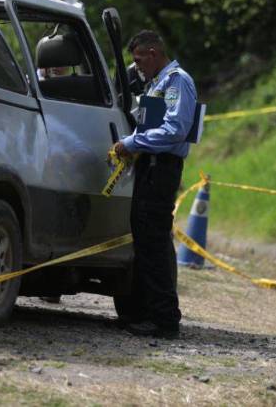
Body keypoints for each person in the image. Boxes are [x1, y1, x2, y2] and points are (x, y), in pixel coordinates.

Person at [111, 29, 197, 339]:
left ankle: (163, 319)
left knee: (155, 242)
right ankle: (146, 311)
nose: (136, 68)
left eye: (138, 61)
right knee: (146, 241)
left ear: (152, 54)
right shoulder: (157, 83)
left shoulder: (176, 82)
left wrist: (132, 143)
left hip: (161, 169)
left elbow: (174, 129)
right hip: (149, 166)